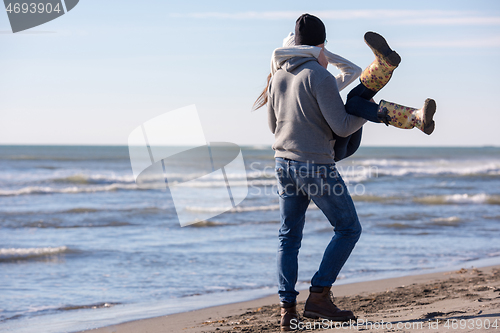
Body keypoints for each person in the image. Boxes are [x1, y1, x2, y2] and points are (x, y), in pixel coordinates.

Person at [255, 14, 437, 332]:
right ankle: (319, 297)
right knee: (348, 229)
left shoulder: (278, 77)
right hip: (316, 165)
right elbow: (340, 126)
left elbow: (274, 128)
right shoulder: (319, 76)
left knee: (288, 237)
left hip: (283, 164)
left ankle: (287, 310)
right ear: (321, 44)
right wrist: (366, 117)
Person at [254, 22, 437, 162]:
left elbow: (353, 71)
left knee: (354, 99)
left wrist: (319, 51)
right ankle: (412, 113)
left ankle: (416, 116)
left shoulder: (316, 79)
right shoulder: (311, 79)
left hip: (339, 141)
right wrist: (317, 51)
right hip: (334, 148)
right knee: (353, 103)